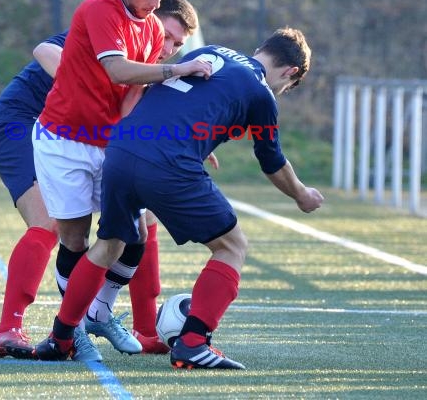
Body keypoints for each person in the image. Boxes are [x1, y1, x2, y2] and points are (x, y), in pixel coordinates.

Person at [33, 27, 324, 370]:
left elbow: (175, 102)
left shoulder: (212, 51)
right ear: (290, 72)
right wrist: (301, 194)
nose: (282, 91)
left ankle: (61, 337)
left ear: (262, 48)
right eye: (288, 87)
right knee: (232, 246)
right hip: (169, 164)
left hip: (122, 150)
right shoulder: (261, 93)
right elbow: (271, 161)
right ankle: (193, 343)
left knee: (109, 242)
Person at [16, 0, 211, 359]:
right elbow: (116, 69)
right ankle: (76, 327)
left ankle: (97, 313)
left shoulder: (154, 28)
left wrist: (183, 141)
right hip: (63, 140)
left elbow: (133, 95)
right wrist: (177, 68)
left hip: (109, 146)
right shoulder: (99, 9)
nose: (155, 3)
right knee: (74, 239)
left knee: (133, 234)